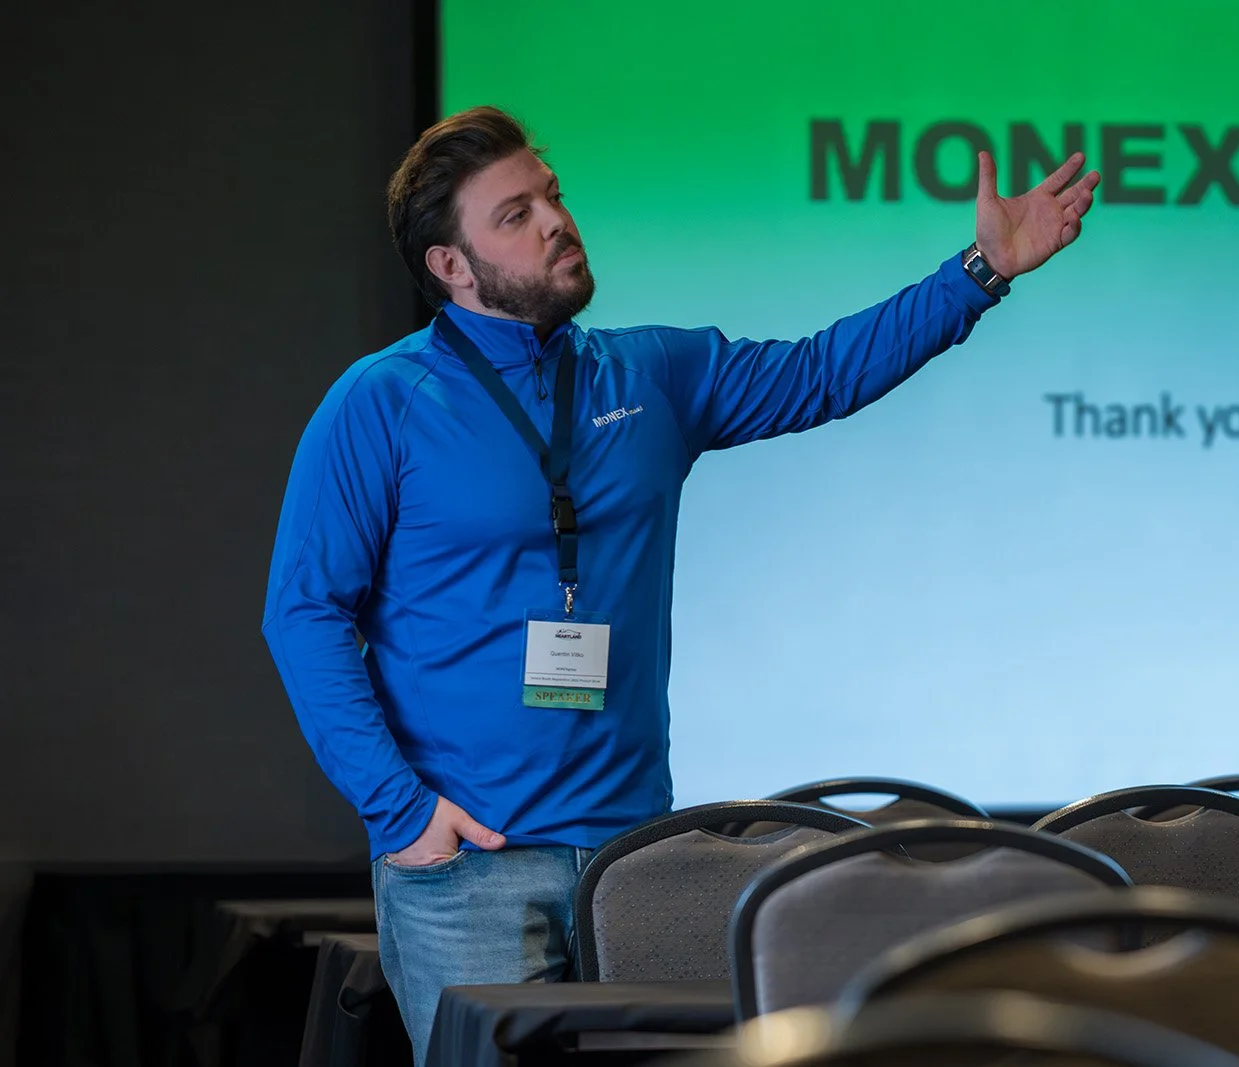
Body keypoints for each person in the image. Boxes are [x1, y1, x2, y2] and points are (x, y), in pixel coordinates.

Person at [261, 104, 1098, 1060]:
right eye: (514, 215)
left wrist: (978, 274)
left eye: (552, 195)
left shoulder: (652, 371)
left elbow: (823, 372)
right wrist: (403, 814)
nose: (554, 221)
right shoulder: (380, 403)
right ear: (451, 267)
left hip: (632, 858)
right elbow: (303, 615)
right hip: (468, 866)